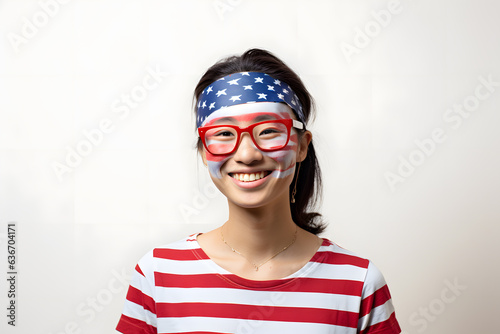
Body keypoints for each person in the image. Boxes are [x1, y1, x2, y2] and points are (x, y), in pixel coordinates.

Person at [116, 48, 401, 333]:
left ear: (301, 146)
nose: (248, 154)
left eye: (268, 131)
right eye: (224, 134)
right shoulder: (158, 275)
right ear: (204, 152)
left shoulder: (359, 283)